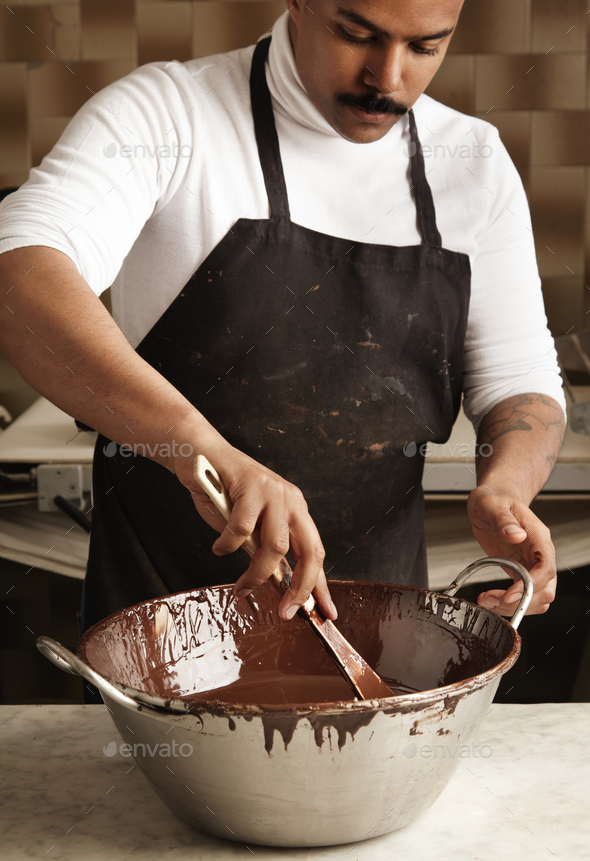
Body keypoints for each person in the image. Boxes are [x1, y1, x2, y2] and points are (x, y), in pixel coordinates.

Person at [0, 0, 565, 642]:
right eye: (356, 35)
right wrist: (206, 455)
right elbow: (18, 277)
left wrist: (507, 489)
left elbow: (519, 377)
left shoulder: (473, 160)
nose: (387, 77)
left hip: (378, 638)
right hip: (161, 636)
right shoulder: (167, 115)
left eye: (426, 47)